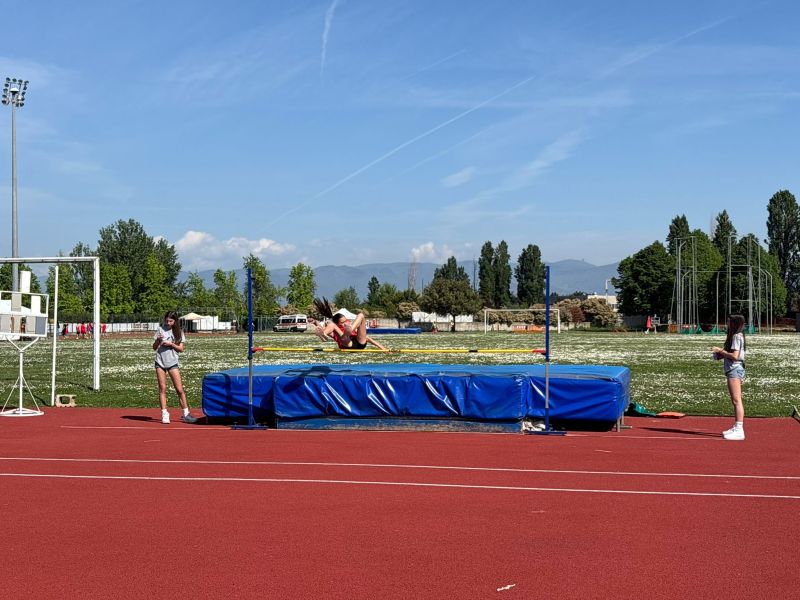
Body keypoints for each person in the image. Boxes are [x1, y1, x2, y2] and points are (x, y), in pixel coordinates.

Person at [153, 310, 199, 424]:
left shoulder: (179, 332)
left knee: (179, 389)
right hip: (160, 362)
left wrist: (171, 344)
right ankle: (164, 414)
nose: (168, 323)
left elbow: (181, 349)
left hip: (172, 362)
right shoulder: (160, 329)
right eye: (167, 321)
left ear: (175, 321)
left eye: (171, 321)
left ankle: (186, 414)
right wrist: (158, 340)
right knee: (162, 388)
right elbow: (154, 347)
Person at [712, 314, 746, 441]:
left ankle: (739, 429)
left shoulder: (737, 336)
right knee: (735, 400)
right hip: (735, 369)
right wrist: (720, 355)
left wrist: (720, 351)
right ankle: (737, 427)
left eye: (729, 322)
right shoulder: (737, 336)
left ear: (734, 323)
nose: (727, 324)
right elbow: (734, 354)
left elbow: (735, 356)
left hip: (734, 370)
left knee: (736, 400)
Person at [310, 298, 388, 351]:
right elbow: (321, 328)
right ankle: (324, 336)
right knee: (331, 325)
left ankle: (349, 331)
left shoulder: (350, 325)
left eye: (346, 321)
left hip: (359, 343)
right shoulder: (335, 329)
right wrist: (316, 323)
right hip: (347, 344)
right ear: (338, 324)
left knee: (361, 315)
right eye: (342, 323)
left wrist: (383, 348)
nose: (346, 323)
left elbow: (368, 338)